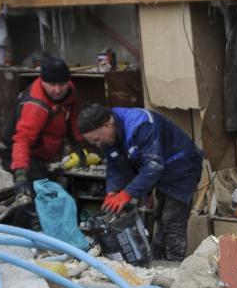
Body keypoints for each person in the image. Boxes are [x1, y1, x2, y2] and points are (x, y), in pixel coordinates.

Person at [76, 104, 202, 261]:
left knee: (172, 219)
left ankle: (175, 264)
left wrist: (127, 193)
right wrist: (112, 191)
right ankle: (158, 260)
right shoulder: (109, 135)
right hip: (159, 172)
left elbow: (154, 166)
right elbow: (114, 164)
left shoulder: (140, 125)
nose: (97, 144)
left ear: (107, 125)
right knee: (160, 216)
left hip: (182, 166)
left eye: (96, 139)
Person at [9, 58, 80, 196]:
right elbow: (22, 140)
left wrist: (78, 144)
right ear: (42, 82)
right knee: (38, 196)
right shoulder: (35, 106)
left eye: (62, 84)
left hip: (48, 152)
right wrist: (20, 173)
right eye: (52, 84)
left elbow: (73, 119)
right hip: (26, 154)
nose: (58, 90)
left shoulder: (70, 90)